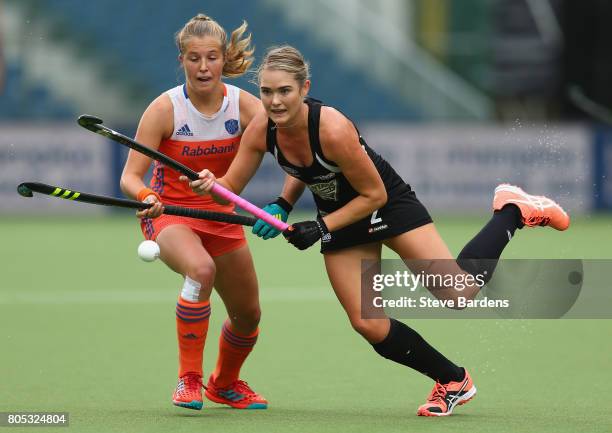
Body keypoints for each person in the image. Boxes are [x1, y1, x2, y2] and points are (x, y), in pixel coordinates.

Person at [185, 45, 570, 417]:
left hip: (385, 204)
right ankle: (453, 381)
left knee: (459, 294)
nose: (275, 102)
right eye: (266, 92)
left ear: (304, 88)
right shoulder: (262, 130)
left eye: (284, 91)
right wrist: (212, 185)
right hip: (341, 217)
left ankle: (511, 211)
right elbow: (232, 188)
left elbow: (373, 194)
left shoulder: (332, 128)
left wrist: (318, 227)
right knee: (367, 322)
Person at [120, 14, 268, 410]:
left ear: (224, 59)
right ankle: (189, 380)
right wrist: (146, 195)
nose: (203, 67)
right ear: (181, 60)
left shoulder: (245, 107)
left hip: (222, 217)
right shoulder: (165, 109)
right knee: (201, 271)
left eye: (212, 58)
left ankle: (224, 383)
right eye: (193, 58)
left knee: (248, 316)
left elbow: (283, 142)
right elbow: (130, 178)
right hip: (169, 214)